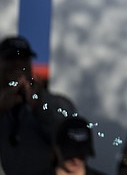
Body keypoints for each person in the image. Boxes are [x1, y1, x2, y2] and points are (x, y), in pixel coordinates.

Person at [0, 35, 77, 175]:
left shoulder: (54, 102)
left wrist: (40, 105)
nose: (17, 64)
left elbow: (71, 141)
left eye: (23, 58)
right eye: (10, 58)